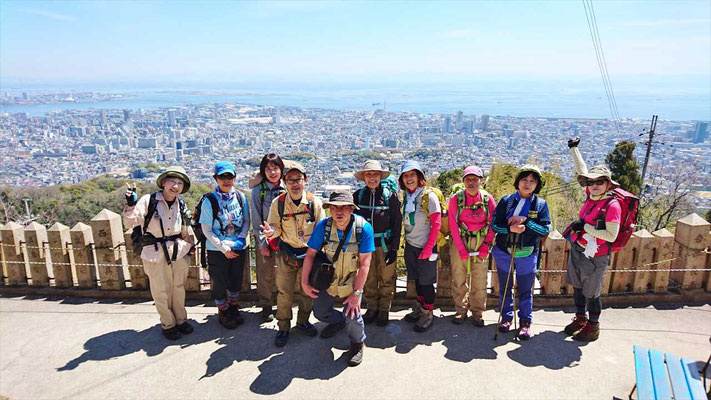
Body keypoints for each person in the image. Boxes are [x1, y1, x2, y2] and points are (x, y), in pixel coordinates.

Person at [301, 190, 375, 367]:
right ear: (330, 209)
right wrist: (304, 283)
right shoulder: (324, 227)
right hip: (329, 279)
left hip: (351, 279)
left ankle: (357, 344)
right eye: (334, 207)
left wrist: (357, 293)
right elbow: (310, 255)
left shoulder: (362, 228)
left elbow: (365, 263)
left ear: (351, 209)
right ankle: (338, 321)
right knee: (319, 312)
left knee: (353, 314)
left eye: (344, 208)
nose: (339, 212)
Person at [123, 166, 194, 340]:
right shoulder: (149, 200)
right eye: (172, 181)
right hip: (154, 251)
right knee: (160, 290)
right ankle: (167, 323)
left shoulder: (181, 203)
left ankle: (181, 320)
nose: (176, 186)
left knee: (178, 288)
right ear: (163, 182)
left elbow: (185, 227)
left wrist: (190, 245)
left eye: (179, 183)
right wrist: (131, 204)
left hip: (177, 250)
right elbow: (130, 222)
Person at [260, 161, 324, 347]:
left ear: (306, 181)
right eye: (290, 180)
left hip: (309, 254)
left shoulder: (314, 203)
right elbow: (275, 226)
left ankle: (303, 321)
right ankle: (283, 326)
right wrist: (271, 233)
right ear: (285, 182)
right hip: (286, 252)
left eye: (299, 179)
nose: (295, 184)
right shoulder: (278, 203)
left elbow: (321, 230)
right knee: (284, 292)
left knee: (308, 291)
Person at [564, 137, 621, 342]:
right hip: (579, 249)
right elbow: (582, 170)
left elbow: (611, 235)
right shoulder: (591, 196)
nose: (594, 185)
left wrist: (585, 227)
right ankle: (581, 318)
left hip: (596, 256)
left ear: (607, 184)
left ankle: (593, 326)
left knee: (592, 292)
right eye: (592, 182)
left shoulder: (612, 205)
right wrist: (574, 149)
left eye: (599, 182)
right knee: (578, 287)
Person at [491, 165, 551, 340]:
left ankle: (525, 321)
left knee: (525, 290)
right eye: (525, 180)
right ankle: (506, 317)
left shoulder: (540, 205)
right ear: (517, 182)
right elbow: (495, 225)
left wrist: (527, 223)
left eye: (532, 181)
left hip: (527, 253)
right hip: (504, 252)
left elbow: (544, 229)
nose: (528, 184)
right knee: (505, 287)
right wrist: (512, 229)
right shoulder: (506, 201)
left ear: (537, 185)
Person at [200, 161, 250, 329]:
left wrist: (241, 239)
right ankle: (223, 310)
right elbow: (206, 229)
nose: (226, 180)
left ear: (235, 178)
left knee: (236, 279)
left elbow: (246, 220)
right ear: (216, 178)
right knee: (220, 281)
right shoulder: (210, 200)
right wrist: (223, 248)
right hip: (217, 249)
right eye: (222, 176)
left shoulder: (240, 197)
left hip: (238, 246)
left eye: (230, 176)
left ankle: (233, 306)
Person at [352, 160, 402, 326]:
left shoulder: (389, 197)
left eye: (375, 174)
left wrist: (394, 248)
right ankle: (372, 307)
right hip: (365, 246)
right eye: (368, 174)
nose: (372, 178)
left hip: (385, 244)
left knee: (387, 278)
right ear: (363, 177)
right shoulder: (358, 196)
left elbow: (396, 222)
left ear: (380, 176)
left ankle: (384, 309)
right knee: (369, 278)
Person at [448, 165, 496, 327]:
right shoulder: (456, 199)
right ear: (463, 181)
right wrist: (460, 248)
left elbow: (493, 223)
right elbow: (453, 225)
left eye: (475, 179)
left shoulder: (487, 199)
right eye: (468, 179)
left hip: (481, 240)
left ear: (480, 181)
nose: (471, 183)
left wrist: (486, 245)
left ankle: (477, 312)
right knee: (459, 277)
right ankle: (460, 310)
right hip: (460, 239)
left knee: (479, 278)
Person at [399, 160, 441, 332]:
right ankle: (419, 307)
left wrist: (429, 247)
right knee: (416, 280)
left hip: (426, 246)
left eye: (412, 175)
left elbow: (436, 223)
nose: (409, 179)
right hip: (411, 244)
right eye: (406, 176)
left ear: (419, 177)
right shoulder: (407, 196)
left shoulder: (428, 196)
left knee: (426, 282)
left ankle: (427, 313)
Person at [250, 153, 286, 322]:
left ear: (281, 170)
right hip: (265, 238)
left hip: (284, 239)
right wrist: (262, 243)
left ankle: (282, 304)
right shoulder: (258, 191)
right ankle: (266, 305)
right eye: (268, 169)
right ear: (263, 171)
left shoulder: (287, 188)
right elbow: (256, 219)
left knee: (283, 273)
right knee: (265, 273)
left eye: (275, 168)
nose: (272, 173)